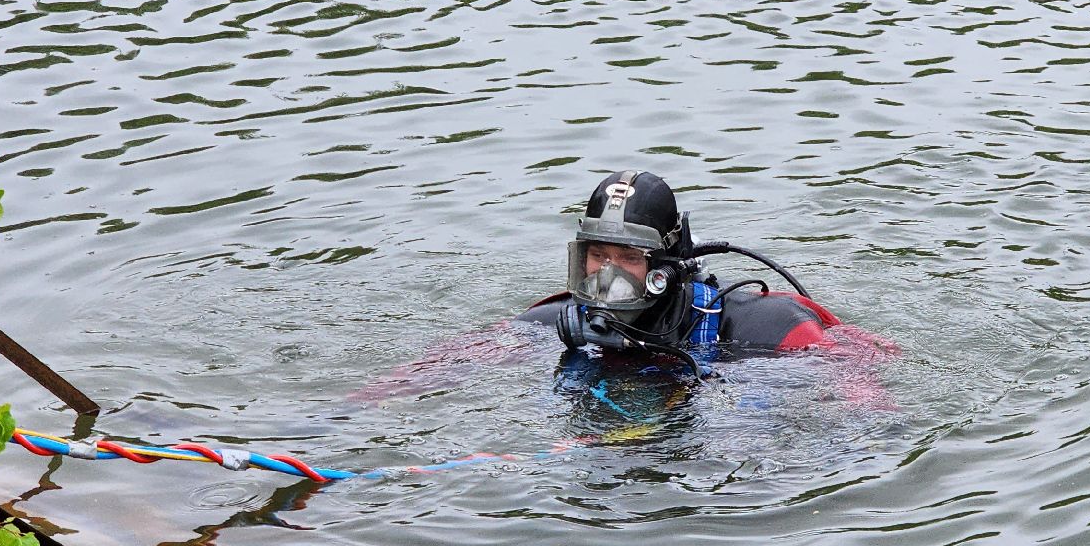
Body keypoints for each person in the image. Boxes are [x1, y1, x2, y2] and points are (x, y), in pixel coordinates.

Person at [351, 170, 893, 406]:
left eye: (629, 258)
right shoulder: (557, 320)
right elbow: (451, 363)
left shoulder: (757, 322)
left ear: (668, 264)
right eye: (598, 256)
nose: (607, 274)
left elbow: (857, 371)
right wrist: (359, 406)